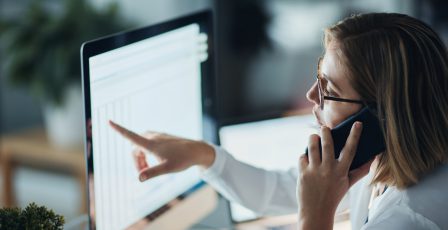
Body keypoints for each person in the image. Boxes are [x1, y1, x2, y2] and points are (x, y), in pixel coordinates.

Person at [109, 12, 448, 229]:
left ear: (379, 117)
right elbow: (284, 190)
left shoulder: (407, 221)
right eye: (318, 77)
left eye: (328, 89)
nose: (311, 96)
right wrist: (202, 154)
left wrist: (315, 218)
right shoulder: (385, 163)